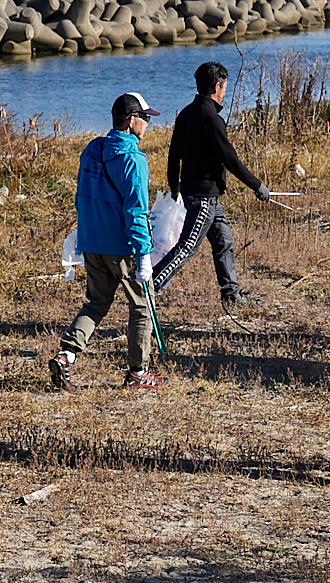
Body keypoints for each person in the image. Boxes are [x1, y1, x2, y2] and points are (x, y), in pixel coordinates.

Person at [48, 94, 163, 392]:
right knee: (141, 307)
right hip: (121, 246)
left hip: (91, 242)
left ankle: (67, 355)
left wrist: (81, 237)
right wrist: (144, 255)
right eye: (145, 117)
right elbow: (136, 210)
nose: (148, 123)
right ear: (130, 120)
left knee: (97, 303)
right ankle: (138, 372)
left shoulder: (92, 149)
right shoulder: (133, 159)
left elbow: (83, 195)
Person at [157, 62, 272, 305]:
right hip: (203, 196)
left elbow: (173, 153)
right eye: (225, 87)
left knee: (224, 241)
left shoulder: (187, 113)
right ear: (217, 86)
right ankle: (151, 285)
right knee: (187, 246)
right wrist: (257, 186)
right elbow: (230, 159)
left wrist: (174, 185)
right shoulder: (210, 118)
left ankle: (231, 294)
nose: (225, 92)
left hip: (202, 195)